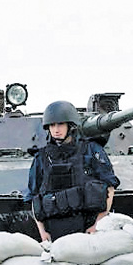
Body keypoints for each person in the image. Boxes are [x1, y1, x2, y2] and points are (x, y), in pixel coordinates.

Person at [26, 100, 120, 242]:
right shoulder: (41, 157)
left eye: (60, 124)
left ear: (70, 126)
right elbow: (34, 196)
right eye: (52, 125)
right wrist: (42, 231)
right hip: (54, 230)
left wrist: (97, 224)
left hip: (89, 227)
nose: (56, 129)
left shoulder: (91, 150)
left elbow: (110, 187)